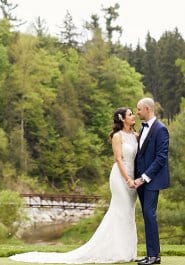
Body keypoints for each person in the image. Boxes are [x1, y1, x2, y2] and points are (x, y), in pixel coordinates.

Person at [10, 107, 138, 264]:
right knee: (119, 212)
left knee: (129, 214)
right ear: (122, 118)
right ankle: (117, 251)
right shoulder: (117, 136)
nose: (133, 116)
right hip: (121, 178)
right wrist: (127, 180)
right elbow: (118, 159)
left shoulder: (135, 136)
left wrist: (136, 179)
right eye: (130, 114)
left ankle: (129, 251)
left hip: (133, 178)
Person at [134, 97, 169, 265]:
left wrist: (143, 178)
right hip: (141, 181)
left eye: (139, 109)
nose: (137, 112)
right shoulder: (143, 129)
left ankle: (154, 256)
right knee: (147, 217)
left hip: (151, 180)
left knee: (149, 215)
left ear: (147, 109)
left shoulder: (161, 129)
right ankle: (151, 255)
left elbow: (161, 158)